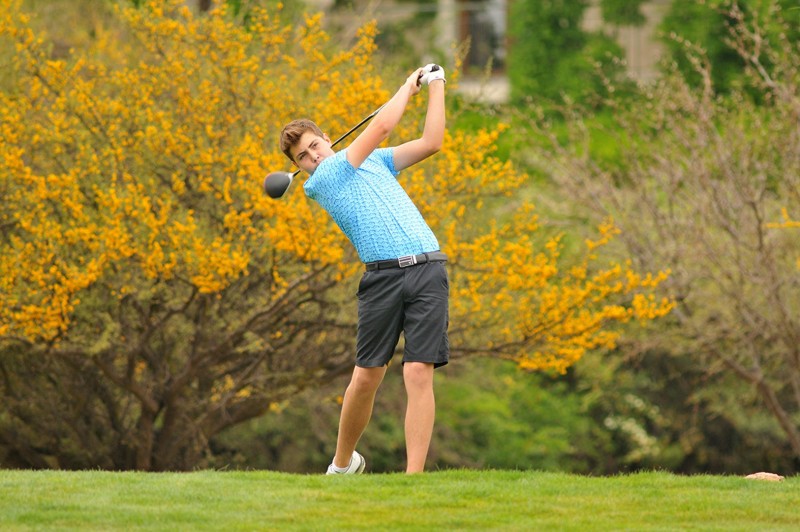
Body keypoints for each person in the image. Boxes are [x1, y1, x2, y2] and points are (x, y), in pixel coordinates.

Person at [279, 64, 448, 474]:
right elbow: (383, 126)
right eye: (303, 157)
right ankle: (342, 464)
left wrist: (437, 84)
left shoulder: (375, 161)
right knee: (367, 375)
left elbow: (431, 142)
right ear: (300, 166)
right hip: (382, 279)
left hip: (428, 267)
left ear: (326, 138)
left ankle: (413, 478)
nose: (313, 157)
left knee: (418, 371)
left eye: (315, 146)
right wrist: (408, 86)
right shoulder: (322, 181)